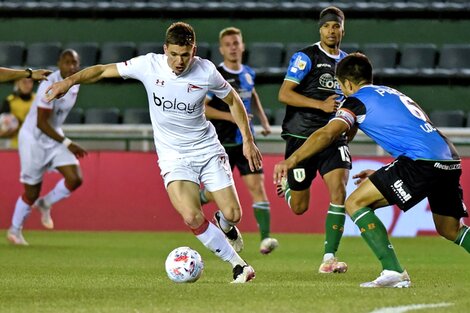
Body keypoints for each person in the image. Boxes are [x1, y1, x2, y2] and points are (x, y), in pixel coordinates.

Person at [45, 22, 262, 284]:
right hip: (173, 156)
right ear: (165, 50)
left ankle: (225, 225)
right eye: (173, 54)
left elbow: (233, 100)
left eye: (185, 55)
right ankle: (238, 266)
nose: (179, 61)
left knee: (233, 214)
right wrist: (67, 82)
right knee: (192, 216)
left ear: (193, 50)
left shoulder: (206, 71)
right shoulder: (149, 65)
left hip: (206, 148)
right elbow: (102, 70)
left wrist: (248, 140)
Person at [273, 52, 469, 288]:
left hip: (421, 162)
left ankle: (393, 270)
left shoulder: (355, 101)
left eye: (340, 85)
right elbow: (410, 133)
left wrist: (291, 160)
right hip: (449, 159)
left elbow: (327, 133)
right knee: (451, 229)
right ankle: (393, 269)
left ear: (346, 83)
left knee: (355, 203)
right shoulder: (391, 92)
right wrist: (388, 171)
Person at [277, 6, 350, 273]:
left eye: (336, 26)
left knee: (339, 190)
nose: (331, 30)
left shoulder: (347, 63)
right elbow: (285, 94)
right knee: (299, 207)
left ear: (343, 29)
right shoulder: (305, 57)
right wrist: (319, 106)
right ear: (320, 29)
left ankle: (329, 257)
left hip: (332, 137)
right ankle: (287, 187)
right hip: (301, 138)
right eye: (327, 26)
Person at [200, 26, 278, 254]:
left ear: (242, 46)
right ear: (221, 49)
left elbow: (252, 94)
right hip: (221, 143)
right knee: (218, 191)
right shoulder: (217, 76)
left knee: (257, 187)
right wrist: (232, 116)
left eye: (236, 43)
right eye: (228, 44)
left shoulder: (248, 73)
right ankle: (201, 196)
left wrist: (263, 120)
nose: (233, 48)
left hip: (246, 142)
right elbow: (204, 108)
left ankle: (265, 239)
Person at [7, 49, 86, 246]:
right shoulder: (48, 83)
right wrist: (68, 143)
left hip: (54, 136)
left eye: (74, 63)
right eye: (66, 62)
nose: (70, 66)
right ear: (59, 63)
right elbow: (41, 123)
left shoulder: (75, 84)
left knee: (75, 178)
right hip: (33, 139)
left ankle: (46, 203)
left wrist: (62, 140)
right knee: (31, 192)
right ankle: (14, 230)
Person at [0, 77, 36, 148]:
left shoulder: (38, 99)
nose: (27, 85)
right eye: (24, 82)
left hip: (35, 143)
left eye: (30, 82)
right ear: (17, 83)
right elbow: (3, 126)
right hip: (16, 144)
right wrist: (7, 129)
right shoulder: (10, 101)